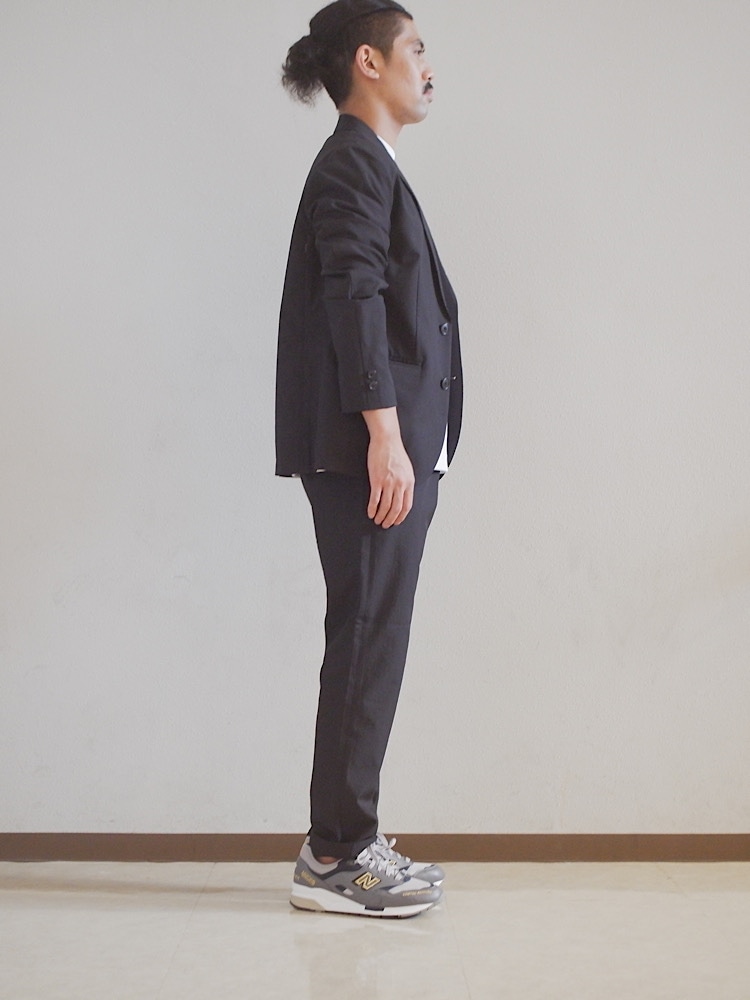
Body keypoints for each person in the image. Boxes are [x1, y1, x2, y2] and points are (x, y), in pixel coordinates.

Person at [276, 0, 462, 918]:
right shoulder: (353, 162)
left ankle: (343, 841)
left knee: (370, 637)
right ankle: (338, 853)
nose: (430, 66)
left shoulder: (369, 163)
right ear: (369, 62)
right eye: (416, 48)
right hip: (366, 454)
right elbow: (352, 297)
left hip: (379, 451)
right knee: (365, 639)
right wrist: (385, 435)